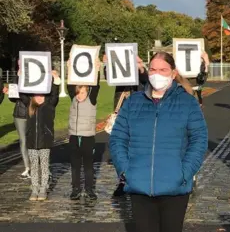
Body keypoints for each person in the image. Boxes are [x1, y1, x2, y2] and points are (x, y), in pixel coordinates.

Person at [109, 51, 208, 232]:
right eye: (153, 69)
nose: (157, 74)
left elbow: (199, 140)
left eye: (163, 70)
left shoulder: (187, 103)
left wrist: (185, 172)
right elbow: (118, 139)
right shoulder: (133, 102)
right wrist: (125, 171)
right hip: (139, 186)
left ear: (173, 73)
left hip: (175, 188)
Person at [103, 54, 148, 197]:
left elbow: (146, 80)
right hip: (122, 114)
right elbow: (108, 75)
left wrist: (140, 68)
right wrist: (107, 64)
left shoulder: (139, 77)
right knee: (121, 150)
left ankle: (138, 181)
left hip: (137, 114)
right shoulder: (120, 76)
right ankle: (123, 182)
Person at [20, 71, 61, 201]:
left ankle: (43, 189)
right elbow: (22, 93)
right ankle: (34, 188)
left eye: (41, 94)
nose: (38, 97)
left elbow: (55, 94)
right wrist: (21, 77)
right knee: (34, 166)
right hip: (32, 141)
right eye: (36, 95)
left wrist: (55, 79)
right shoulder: (29, 105)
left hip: (45, 141)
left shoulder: (49, 104)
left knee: (44, 166)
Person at [67, 60, 101, 201]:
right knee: (75, 166)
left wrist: (97, 70)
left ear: (87, 92)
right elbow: (69, 85)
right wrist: (69, 68)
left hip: (87, 137)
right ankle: (75, 188)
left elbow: (96, 86)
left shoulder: (91, 100)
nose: (80, 95)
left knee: (88, 166)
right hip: (74, 137)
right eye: (78, 93)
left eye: (82, 93)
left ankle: (89, 189)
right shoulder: (74, 99)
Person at [7, 68, 30, 179]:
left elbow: (28, 100)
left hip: (32, 114)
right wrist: (10, 93)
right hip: (19, 114)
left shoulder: (33, 78)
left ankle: (36, 165)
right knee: (23, 141)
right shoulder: (16, 78)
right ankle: (27, 167)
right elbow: (12, 98)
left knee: (34, 140)